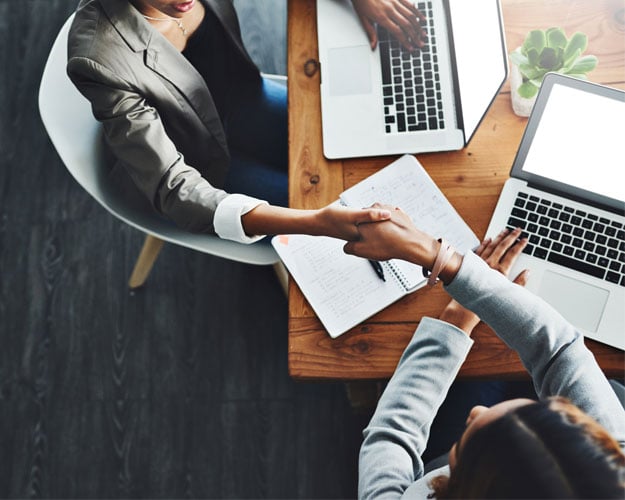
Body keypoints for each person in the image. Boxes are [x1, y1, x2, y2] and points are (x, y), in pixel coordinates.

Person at [66, 0, 424, 244]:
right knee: (339, 205)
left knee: (367, 145)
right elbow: (175, 190)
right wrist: (315, 223)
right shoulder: (97, 58)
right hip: (201, 165)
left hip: (248, 100)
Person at [344, 205, 625, 498]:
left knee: (483, 377)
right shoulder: (608, 468)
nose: (476, 413)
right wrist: (442, 259)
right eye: (535, 409)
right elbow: (560, 351)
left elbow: (391, 437)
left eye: (472, 445)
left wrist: (455, 321)